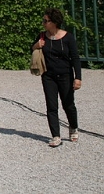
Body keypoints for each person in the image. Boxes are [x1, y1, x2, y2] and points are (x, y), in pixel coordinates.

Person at [32, 8, 82, 147]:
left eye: (45, 21)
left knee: (68, 105)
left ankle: (73, 127)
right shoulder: (42, 36)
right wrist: (37, 45)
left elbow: (75, 59)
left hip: (65, 75)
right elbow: (32, 48)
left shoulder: (68, 37)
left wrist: (78, 77)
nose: (43, 23)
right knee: (51, 106)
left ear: (54, 22)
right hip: (48, 76)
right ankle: (56, 136)